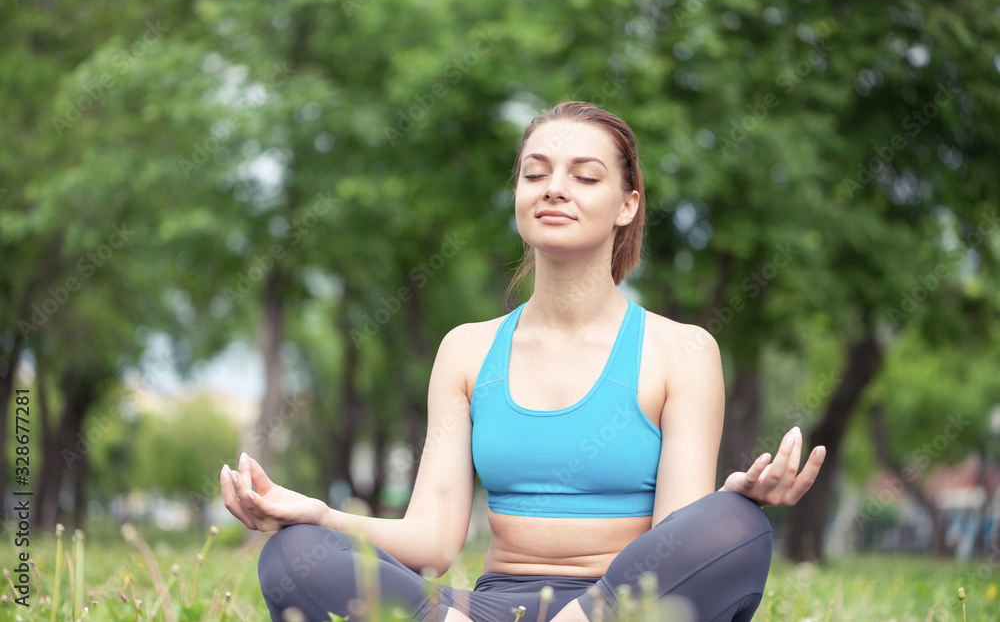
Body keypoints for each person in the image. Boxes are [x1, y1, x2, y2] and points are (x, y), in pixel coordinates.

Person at [220, 101, 826, 622]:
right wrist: (320, 514)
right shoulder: (467, 349)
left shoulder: (683, 351)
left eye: (585, 177)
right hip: (482, 611)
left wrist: (726, 501)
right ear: (518, 196)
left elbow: (674, 544)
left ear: (627, 205)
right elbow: (431, 543)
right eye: (536, 173)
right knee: (293, 553)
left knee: (736, 526)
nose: (554, 188)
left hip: (621, 608)